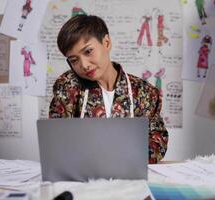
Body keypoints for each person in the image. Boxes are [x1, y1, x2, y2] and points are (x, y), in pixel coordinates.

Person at [48, 15, 168, 164]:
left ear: (106, 43)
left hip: (130, 178)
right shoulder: (67, 86)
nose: (84, 65)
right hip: (83, 180)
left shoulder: (144, 92)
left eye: (88, 51)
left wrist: (117, 159)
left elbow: (158, 143)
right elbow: (57, 141)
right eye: (74, 60)